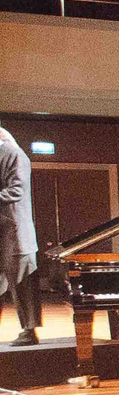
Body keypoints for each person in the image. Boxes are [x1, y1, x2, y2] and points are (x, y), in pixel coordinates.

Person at [0, 125, 37, 344]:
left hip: (15, 234)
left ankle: (29, 331)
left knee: (23, 285)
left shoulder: (14, 154)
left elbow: (16, 190)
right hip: (3, 233)